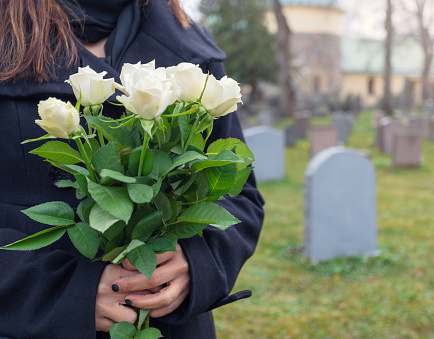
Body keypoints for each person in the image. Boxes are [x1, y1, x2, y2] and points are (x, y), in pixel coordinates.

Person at [0, 0, 264, 338]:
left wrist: (195, 262)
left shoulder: (187, 41)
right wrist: (62, 291)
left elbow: (240, 194)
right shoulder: (13, 37)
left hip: (167, 325)